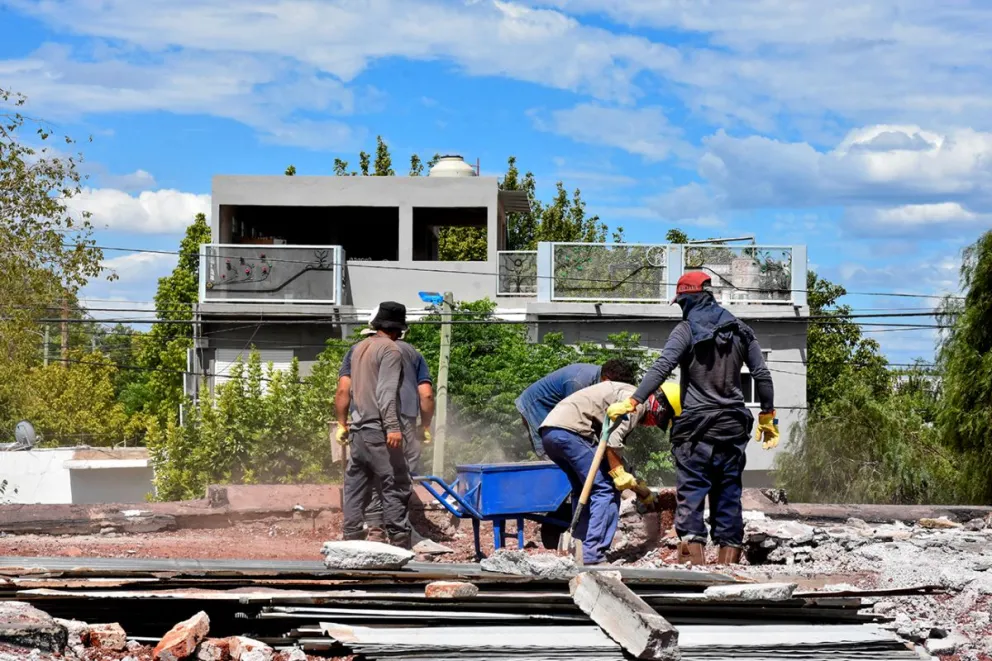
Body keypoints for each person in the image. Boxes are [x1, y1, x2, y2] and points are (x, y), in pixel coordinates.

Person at [607, 271, 778, 565]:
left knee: (692, 495)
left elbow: (662, 367)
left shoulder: (685, 330)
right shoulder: (742, 331)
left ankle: (693, 567)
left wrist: (634, 400)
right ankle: (728, 567)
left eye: (681, 301)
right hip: (732, 428)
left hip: (696, 430)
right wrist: (767, 414)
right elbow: (761, 374)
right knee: (728, 495)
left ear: (688, 298)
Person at [538, 379, 681, 565]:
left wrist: (639, 487)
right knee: (605, 488)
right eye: (661, 420)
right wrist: (619, 475)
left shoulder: (630, 395)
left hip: (551, 432)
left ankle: (579, 548)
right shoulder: (636, 403)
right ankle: (593, 555)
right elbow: (613, 443)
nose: (653, 425)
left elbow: (612, 453)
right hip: (572, 431)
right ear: (660, 406)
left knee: (585, 490)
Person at [336, 316, 435, 542]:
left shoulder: (357, 350)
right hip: (393, 425)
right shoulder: (401, 352)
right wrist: (424, 425)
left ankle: (363, 536)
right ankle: (400, 539)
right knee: (396, 481)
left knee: (360, 481)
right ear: (399, 331)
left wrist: (342, 424)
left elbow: (343, 390)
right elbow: (422, 393)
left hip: (359, 426)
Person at [516, 359, 638, 458]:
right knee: (552, 451)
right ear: (606, 379)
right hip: (537, 405)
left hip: (558, 406)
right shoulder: (578, 383)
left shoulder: (601, 381)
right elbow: (575, 421)